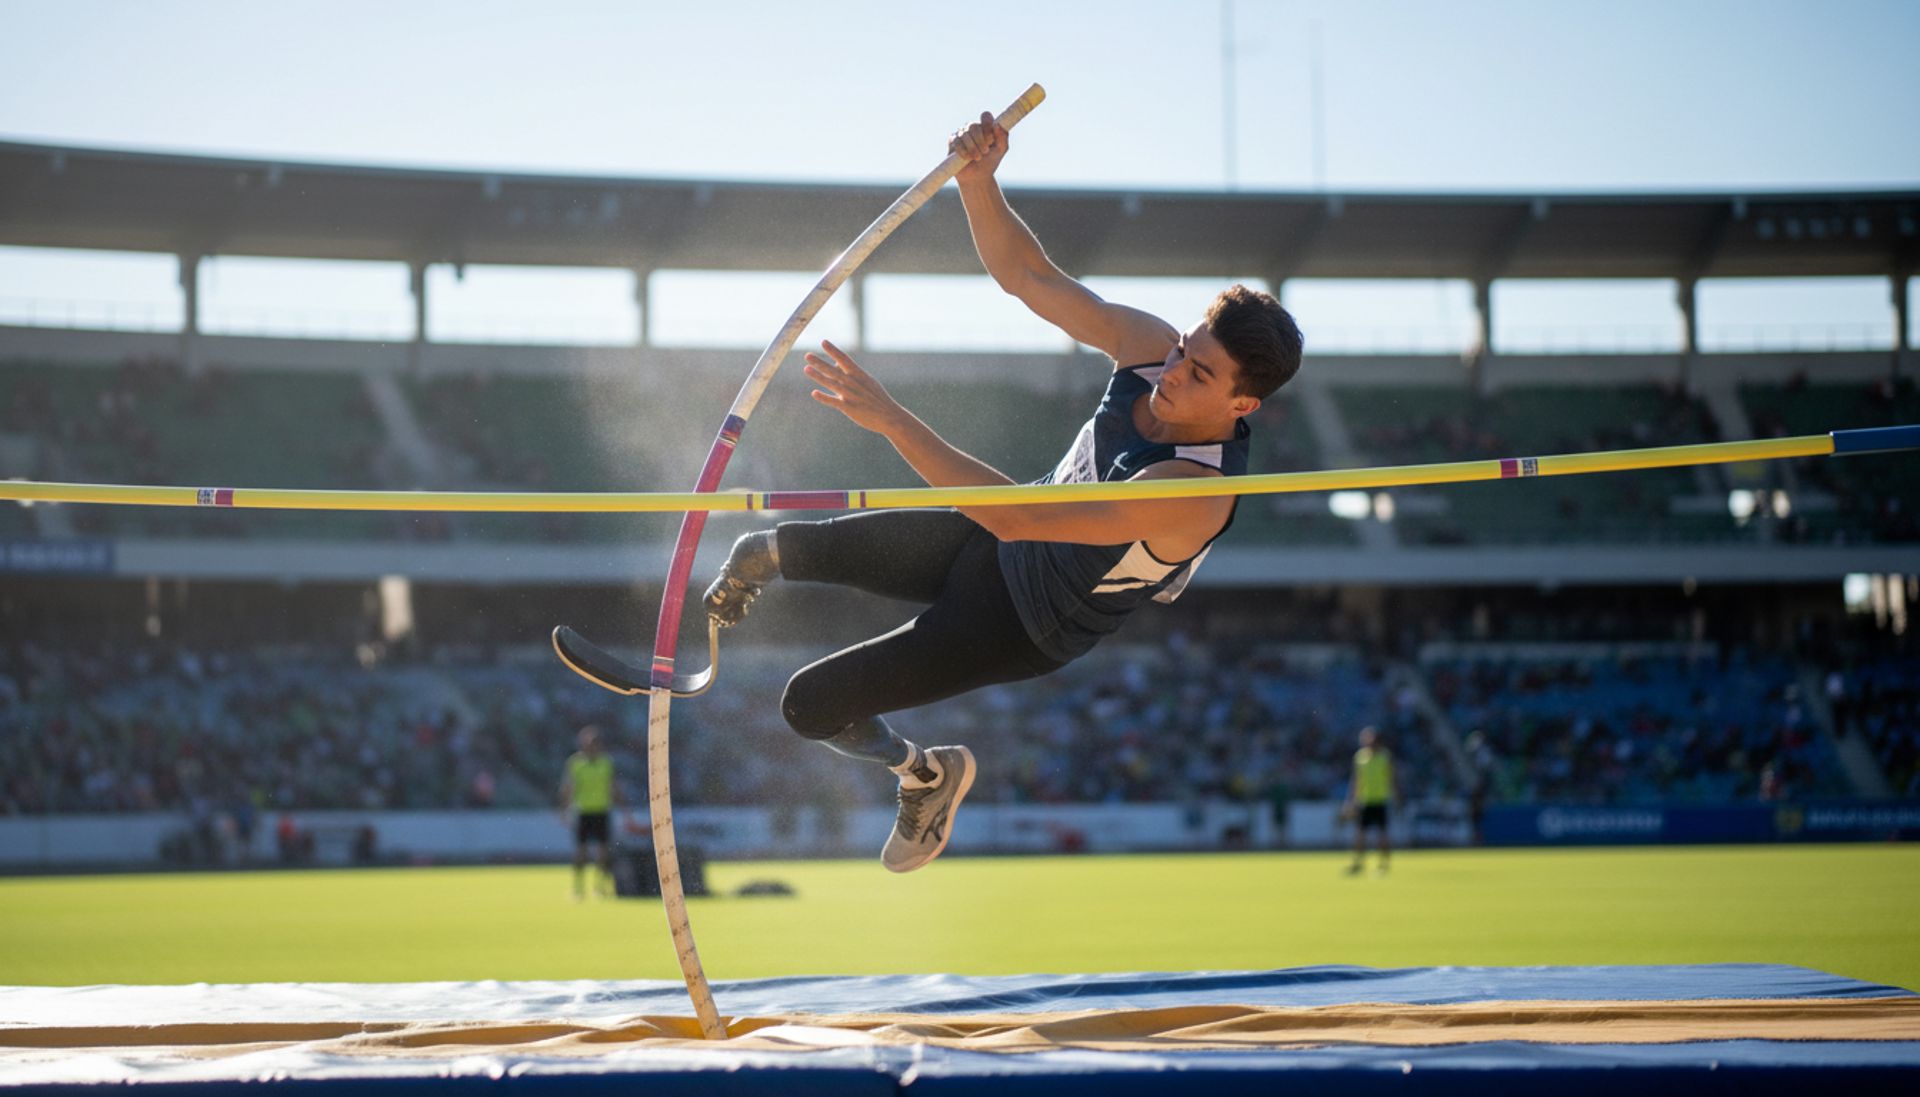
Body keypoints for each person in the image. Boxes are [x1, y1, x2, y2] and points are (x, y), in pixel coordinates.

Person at [702, 110, 1304, 873]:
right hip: (989, 540)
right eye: (1185, 349)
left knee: (809, 703)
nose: (1174, 372)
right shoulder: (1152, 348)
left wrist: (890, 419)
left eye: (1200, 373)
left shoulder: (1193, 490)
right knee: (763, 549)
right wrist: (979, 183)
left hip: (1023, 620)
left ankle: (925, 774)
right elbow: (1030, 277)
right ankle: (701, 633)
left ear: (1243, 404)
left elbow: (1020, 517)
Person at [559, 725, 619, 900]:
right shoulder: (576, 763)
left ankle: (599, 886)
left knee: (603, 852)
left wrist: (623, 808)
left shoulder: (606, 763)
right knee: (581, 852)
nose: (591, 746)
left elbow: (613, 786)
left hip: (601, 810)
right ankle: (578, 887)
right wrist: (564, 809)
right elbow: (568, 788)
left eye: (594, 743)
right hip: (583, 811)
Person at [1344, 726, 1396, 875]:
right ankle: (1358, 863)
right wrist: (1351, 800)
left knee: (1382, 834)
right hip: (1365, 800)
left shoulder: (1384, 757)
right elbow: (1356, 780)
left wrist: (1396, 797)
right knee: (1360, 834)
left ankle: (1384, 864)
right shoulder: (1360, 757)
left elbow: (1391, 778)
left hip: (1380, 800)